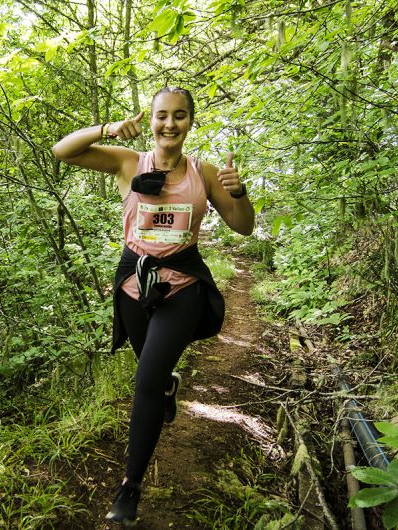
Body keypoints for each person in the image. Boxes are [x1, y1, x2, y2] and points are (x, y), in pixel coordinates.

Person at [52, 86, 255, 526]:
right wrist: (107, 128)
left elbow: (243, 228)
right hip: (133, 285)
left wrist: (239, 194)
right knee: (152, 370)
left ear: (190, 121)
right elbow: (63, 150)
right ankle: (168, 385)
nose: (170, 124)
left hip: (182, 286)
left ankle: (130, 486)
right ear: (151, 119)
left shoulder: (205, 172)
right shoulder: (128, 162)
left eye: (179, 116)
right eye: (162, 115)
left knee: (144, 382)